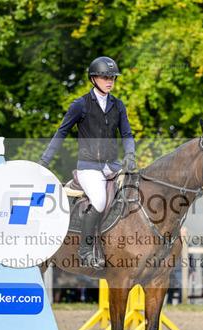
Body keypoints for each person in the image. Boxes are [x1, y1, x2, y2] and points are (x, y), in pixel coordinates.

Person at [38, 56, 136, 269]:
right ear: (93, 79)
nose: (110, 82)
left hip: (114, 166)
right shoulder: (80, 104)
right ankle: (85, 250)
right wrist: (45, 159)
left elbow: (127, 134)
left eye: (112, 78)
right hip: (89, 168)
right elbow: (62, 132)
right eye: (105, 77)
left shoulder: (118, 105)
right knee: (99, 201)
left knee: (134, 192)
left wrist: (130, 154)